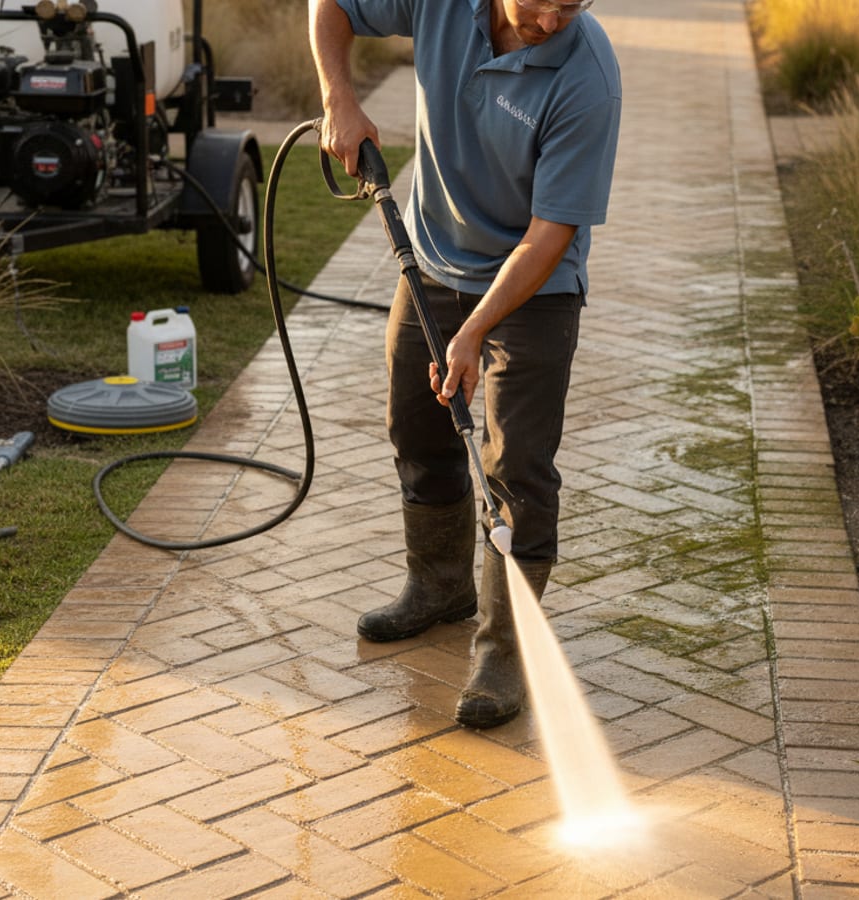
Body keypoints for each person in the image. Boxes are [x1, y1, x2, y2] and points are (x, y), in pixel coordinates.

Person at [309, 0, 621, 729]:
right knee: (416, 429)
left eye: (572, 5)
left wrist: (476, 329)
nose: (553, 21)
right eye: (542, 1)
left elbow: (550, 234)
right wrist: (339, 99)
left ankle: (506, 650)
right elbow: (332, 6)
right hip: (433, 260)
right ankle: (440, 585)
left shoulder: (587, 76)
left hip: (536, 287)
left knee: (517, 468)